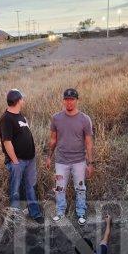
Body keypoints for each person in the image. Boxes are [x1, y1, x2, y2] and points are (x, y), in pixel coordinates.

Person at [46, 88, 95, 226]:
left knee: (80, 188)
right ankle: (60, 212)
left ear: (77, 100)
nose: (69, 102)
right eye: (67, 99)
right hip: (61, 161)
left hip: (79, 161)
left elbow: (89, 143)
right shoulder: (56, 118)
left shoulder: (85, 119)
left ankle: (81, 213)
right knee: (60, 188)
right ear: (63, 101)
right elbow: (53, 140)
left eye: (72, 99)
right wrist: (49, 156)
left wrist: (90, 163)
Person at [0, 89, 44, 223]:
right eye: (22, 99)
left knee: (31, 186)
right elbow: (6, 141)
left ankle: (35, 213)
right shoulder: (6, 118)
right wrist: (15, 161)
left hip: (30, 160)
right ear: (18, 101)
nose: (23, 101)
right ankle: (15, 216)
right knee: (15, 189)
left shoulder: (20, 116)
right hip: (17, 161)